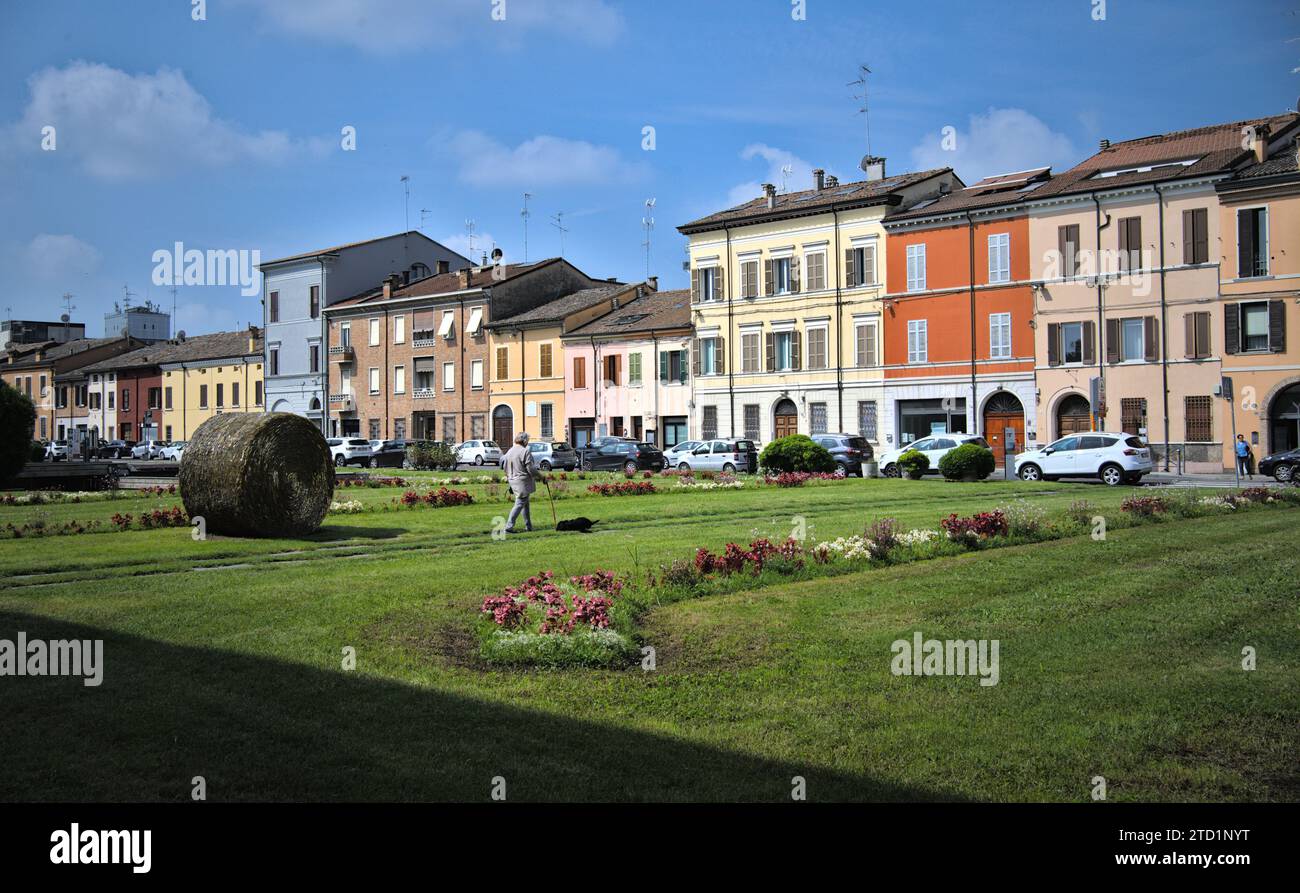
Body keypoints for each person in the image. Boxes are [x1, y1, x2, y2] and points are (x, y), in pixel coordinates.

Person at [501, 431, 542, 533]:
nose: (527, 442)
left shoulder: (510, 451)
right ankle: (508, 527)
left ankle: (529, 526)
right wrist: (541, 476)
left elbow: (504, 466)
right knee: (520, 503)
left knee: (525, 504)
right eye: (527, 440)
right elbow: (531, 469)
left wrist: (510, 477)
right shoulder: (524, 451)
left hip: (512, 480)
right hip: (522, 481)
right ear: (524, 441)